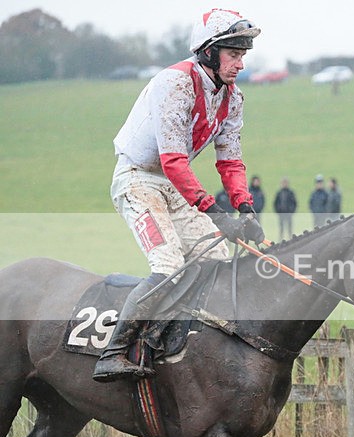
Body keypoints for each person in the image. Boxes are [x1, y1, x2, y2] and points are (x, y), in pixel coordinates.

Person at [93, 9, 265, 382]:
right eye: (234, 54)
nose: (240, 64)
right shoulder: (174, 83)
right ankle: (113, 352)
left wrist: (245, 207)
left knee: (216, 259)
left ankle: (160, 335)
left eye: (243, 55)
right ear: (209, 52)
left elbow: (230, 161)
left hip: (174, 184)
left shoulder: (233, 98)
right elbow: (172, 160)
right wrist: (218, 214)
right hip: (138, 179)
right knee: (169, 267)